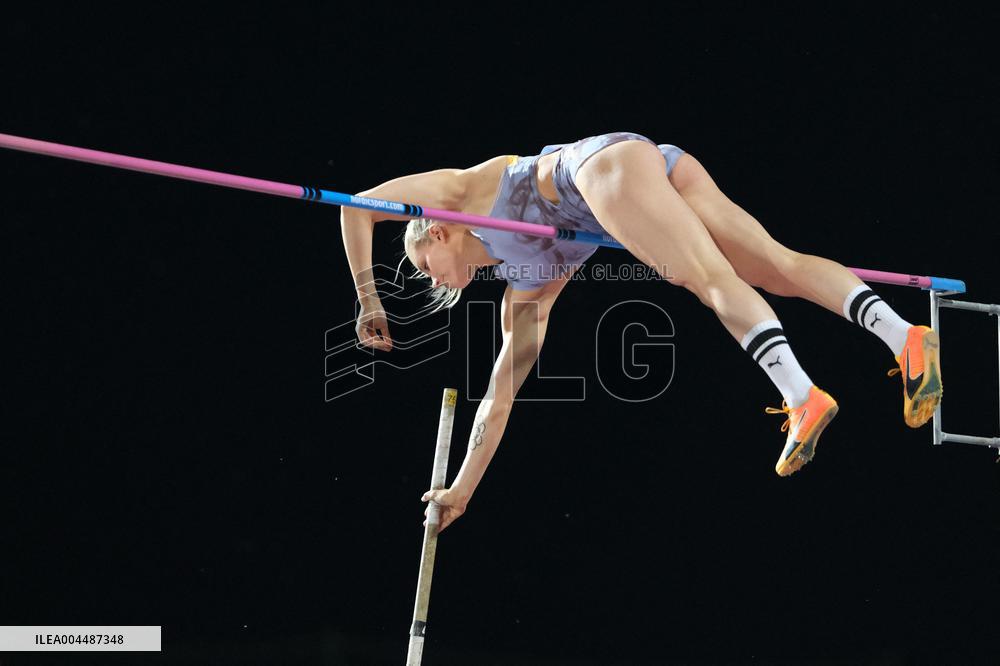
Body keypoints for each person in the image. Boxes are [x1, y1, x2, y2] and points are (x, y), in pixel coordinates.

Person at [339, 132, 943, 532]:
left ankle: (801, 395)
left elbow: (357, 204)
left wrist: (369, 300)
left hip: (600, 170)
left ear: (436, 234)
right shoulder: (527, 284)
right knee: (779, 267)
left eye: (422, 267)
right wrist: (462, 492)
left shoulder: (461, 192)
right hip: (652, 165)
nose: (430, 282)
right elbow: (500, 396)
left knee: (705, 277)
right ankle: (905, 337)